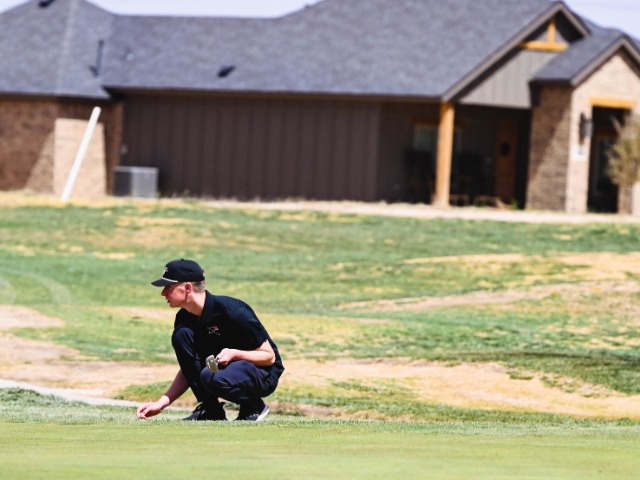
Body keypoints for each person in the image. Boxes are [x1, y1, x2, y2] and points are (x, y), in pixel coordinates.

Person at [136, 258, 284, 422]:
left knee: (211, 375)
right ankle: (211, 409)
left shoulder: (234, 311)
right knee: (182, 335)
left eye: (168, 287)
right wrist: (161, 403)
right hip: (223, 372)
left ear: (187, 288)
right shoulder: (184, 319)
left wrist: (235, 354)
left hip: (263, 374)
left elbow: (269, 357)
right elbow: (190, 368)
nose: (163, 293)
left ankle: (253, 405)